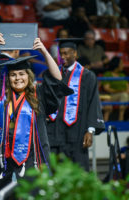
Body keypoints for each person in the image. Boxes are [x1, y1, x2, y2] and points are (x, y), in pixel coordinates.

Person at [0, 33, 73, 199]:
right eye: (13, 75)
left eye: (21, 74)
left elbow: (57, 78)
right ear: (8, 77)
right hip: (3, 159)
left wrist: (44, 51)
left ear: (29, 76)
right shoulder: (0, 92)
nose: (17, 78)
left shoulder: (39, 94)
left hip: (33, 158)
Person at [46, 38, 105, 171]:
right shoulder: (53, 74)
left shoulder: (87, 76)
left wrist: (90, 130)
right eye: (61, 53)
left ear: (75, 54)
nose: (63, 57)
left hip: (77, 131)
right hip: (55, 131)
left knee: (78, 169)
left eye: (67, 53)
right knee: (54, 169)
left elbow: (93, 102)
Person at [102, 56, 129, 121]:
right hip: (112, 95)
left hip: (123, 94)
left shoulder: (122, 75)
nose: (123, 65)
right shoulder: (107, 74)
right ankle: (121, 118)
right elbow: (107, 88)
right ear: (116, 65)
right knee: (124, 95)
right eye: (121, 64)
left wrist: (126, 91)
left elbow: (128, 88)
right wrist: (120, 91)